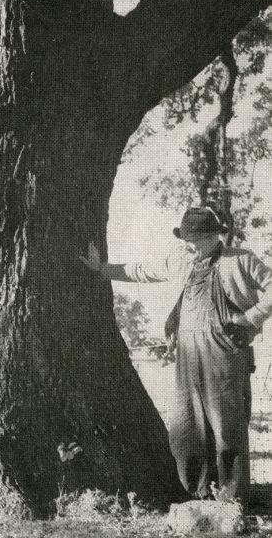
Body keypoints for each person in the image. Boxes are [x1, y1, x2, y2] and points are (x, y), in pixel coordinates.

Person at [80, 207, 272, 506]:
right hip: (187, 353)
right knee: (186, 426)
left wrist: (250, 318)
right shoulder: (181, 259)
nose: (189, 245)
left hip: (226, 353)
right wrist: (102, 269)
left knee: (227, 426)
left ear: (213, 237)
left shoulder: (241, 259)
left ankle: (232, 499)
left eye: (195, 240)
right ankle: (197, 492)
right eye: (186, 239)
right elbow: (142, 271)